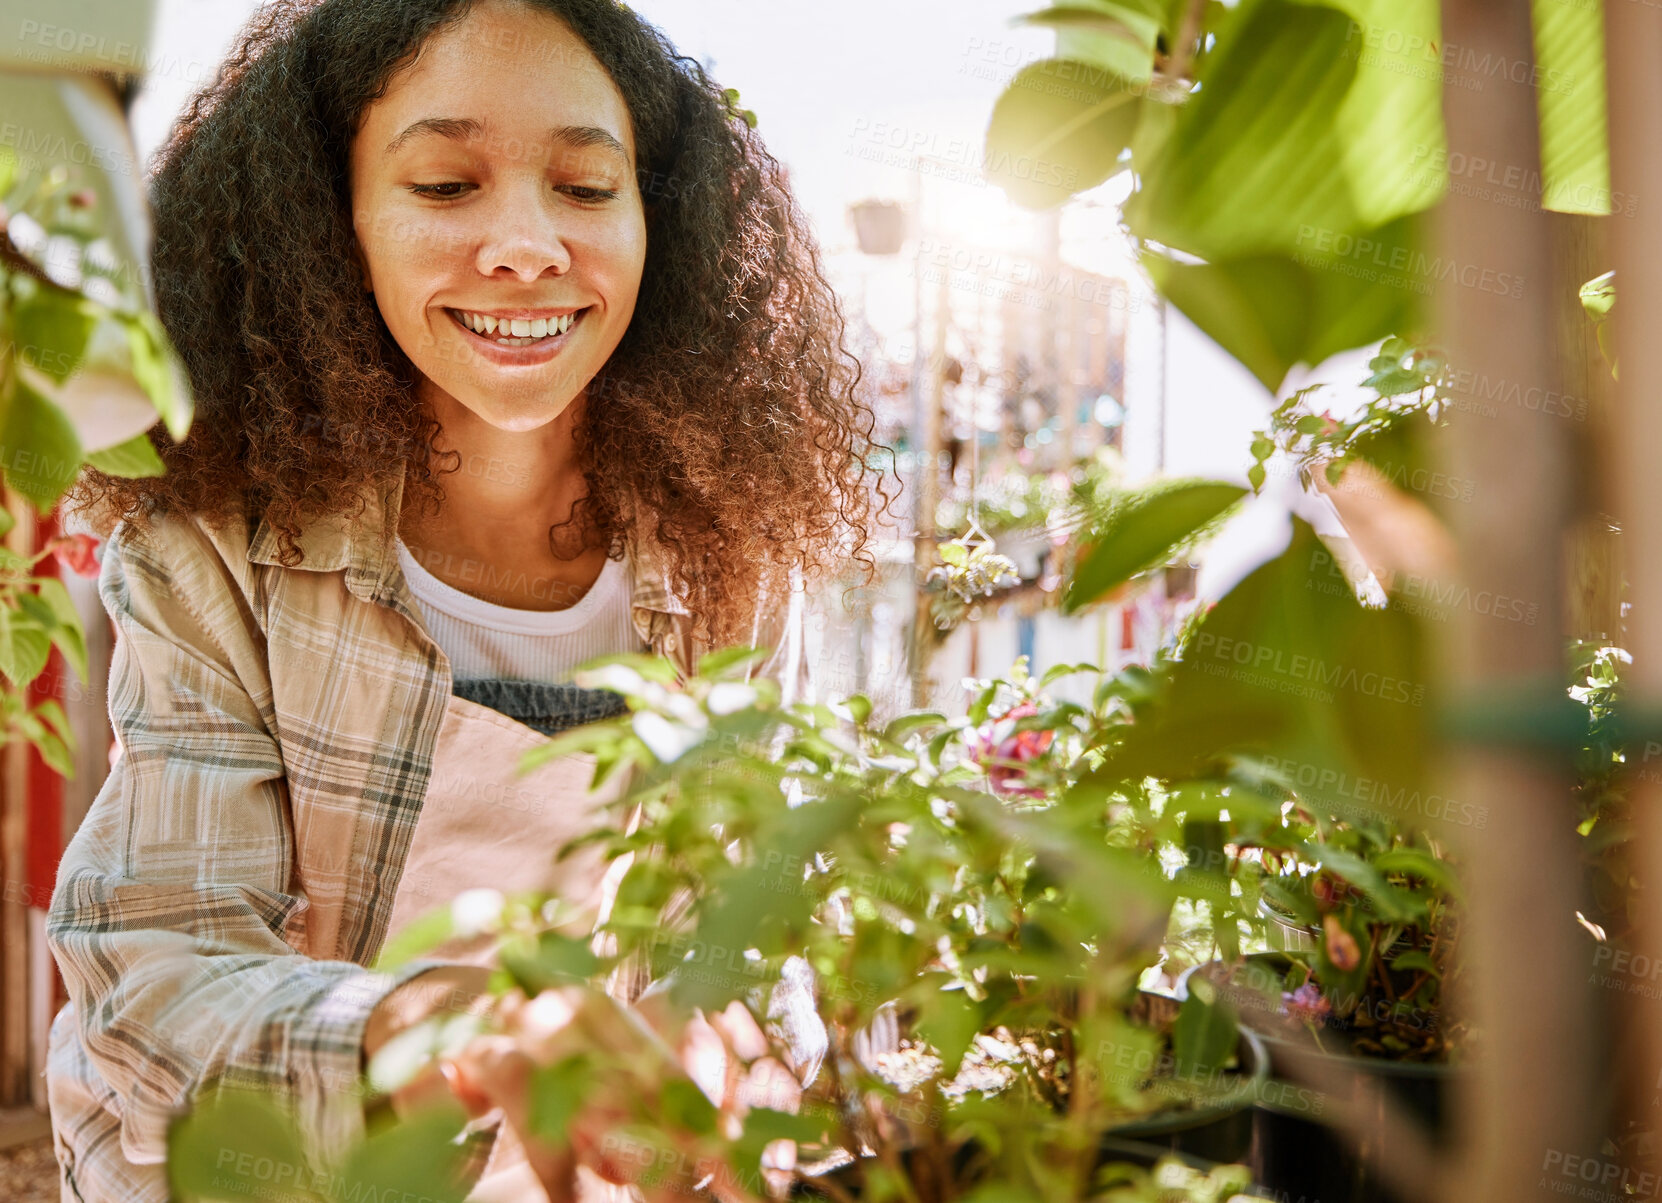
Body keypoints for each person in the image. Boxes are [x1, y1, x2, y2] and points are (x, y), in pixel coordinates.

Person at [43, 0, 885, 1198]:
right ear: (330, 225)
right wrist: (447, 1033)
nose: (530, 244)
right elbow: (160, 960)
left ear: (665, 221)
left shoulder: (730, 553)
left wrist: (733, 1044)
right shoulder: (214, 544)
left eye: (588, 188)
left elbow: (754, 918)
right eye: (444, 185)